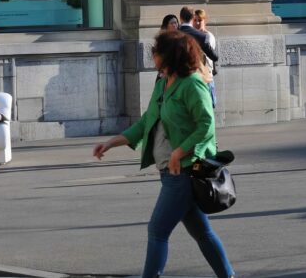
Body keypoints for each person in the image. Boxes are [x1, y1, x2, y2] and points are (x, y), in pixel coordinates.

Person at [92, 30, 234, 278]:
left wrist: (179, 152)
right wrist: (112, 142)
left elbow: (205, 125)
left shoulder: (192, 84)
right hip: (171, 172)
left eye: (157, 51)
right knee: (202, 232)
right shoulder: (163, 83)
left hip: (184, 172)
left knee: (157, 230)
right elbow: (147, 121)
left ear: (171, 55)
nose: (153, 55)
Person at [193, 9, 219, 107]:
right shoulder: (193, 36)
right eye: (195, 20)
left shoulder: (208, 36)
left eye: (200, 20)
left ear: (205, 21)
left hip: (206, 79)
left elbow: (204, 55)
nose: (197, 23)